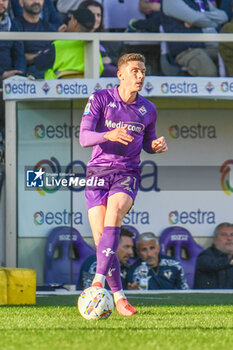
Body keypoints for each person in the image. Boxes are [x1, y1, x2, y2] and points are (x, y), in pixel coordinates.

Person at [79, 52, 168, 316]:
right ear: (120, 74)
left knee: (115, 214)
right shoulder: (100, 99)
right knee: (101, 240)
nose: (140, 76)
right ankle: (118, 297)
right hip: (98, 172)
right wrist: (108, 133)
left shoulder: (148, 108)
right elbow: (84, 137)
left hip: (126, 173)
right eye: (135, 71)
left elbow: (148, 143)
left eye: (143, 71)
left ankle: (97, 282)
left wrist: (155, 146)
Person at [161, 0, 228, 76]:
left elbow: (224, 16)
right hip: (188, 49)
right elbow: (195, 19)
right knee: (208, 71)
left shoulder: (202, 1)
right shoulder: (170, 1)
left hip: (213, 46)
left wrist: (198, 18)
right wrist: (213, 21)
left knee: (229, 56)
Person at [34, 8, 104, 79]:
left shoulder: (59, 44)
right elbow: (100, 69)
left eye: (71, 19)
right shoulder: (94, 48)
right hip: (87, 88)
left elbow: (39, 63)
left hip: (58, 88)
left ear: (75, 23)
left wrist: (57, 37)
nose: (68, 22)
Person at [13, 0, 65, 78]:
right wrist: (40, 56)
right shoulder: (14, 26)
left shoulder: (49, 28)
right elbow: (16, 57)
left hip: (51, 70)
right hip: (28, 74)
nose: (36, 1)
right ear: (21, 2)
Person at [78, 0, 123, 77]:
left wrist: (111, 60)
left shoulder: (107, 39)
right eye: (91, 15)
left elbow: (121, 59)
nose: (96, 19)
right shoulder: (73, 36)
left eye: (98, 15)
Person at [194, 223, 233, 288]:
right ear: (215, 240)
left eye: (232, 235)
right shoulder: (205, 256)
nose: (229, 238)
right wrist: (231, 262)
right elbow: (213, 264)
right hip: (209, 297)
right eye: (224, 235)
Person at [0, 0, 26, 80]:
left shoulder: (13, 24)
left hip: (10, 76)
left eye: (4, 0)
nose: (1, 3)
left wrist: (19, 73)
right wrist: (2, 74)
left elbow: (19, 54)